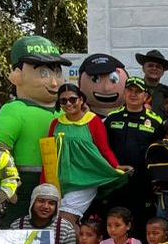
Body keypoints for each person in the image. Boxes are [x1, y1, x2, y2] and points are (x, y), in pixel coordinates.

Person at [0, 36, 70, 218]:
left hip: (60, 182)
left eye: (57, 73)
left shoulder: (65, 111)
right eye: (43, 73)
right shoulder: (14, 110)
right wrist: (8, 184)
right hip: (25, 183)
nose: (54, 83)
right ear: (16, 75)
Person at [45, 79, 124, 221]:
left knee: (65, 219)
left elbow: (104, 149)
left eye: (72, 99)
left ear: (81, 99)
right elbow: (49, 156)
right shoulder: (55, 123)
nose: (68, 104)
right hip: (61, 181)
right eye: (63, 101)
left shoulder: (93, 121)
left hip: (85, 179)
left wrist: (116, 167)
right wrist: (45, 182)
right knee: (56, 220)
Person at [100, 76, 164, 221]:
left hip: (143, 183)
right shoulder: (112, 118)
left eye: (138, 91)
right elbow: (102, 148)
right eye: (130, 90)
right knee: (114, 220)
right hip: (116, 181)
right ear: (124, 92)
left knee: (142, 221)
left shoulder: (156, 121)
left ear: (146, 96)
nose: (133, 94)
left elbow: (160, 154)